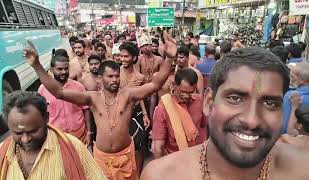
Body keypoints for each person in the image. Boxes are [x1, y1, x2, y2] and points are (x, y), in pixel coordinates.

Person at [141, 47, 309, 180]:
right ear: (209, 102)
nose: (252, 120)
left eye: (270, 103)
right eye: (235, 98)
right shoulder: (162, 175)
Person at [23, 32, 177, 180]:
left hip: (124, 156)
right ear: (101, 78)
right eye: (110, 76)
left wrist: (169, 58)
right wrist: (36, 65)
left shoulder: (128, 95)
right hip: (102, 158)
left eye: (117, 76)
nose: (115, 80)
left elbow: (156, 84)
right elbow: (59, 92)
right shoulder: (93, 97)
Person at [0, 91, 106, 179]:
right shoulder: (2, 152)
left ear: (46, 118)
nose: (26, 139)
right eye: (18, 133)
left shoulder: (73, 147)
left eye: (33, 131)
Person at [152, 68, 208, 159]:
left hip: (198, 158)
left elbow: (204, 125)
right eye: (183, 92)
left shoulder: (199, 101)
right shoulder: (164, 108)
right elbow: (158, 147)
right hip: (175, 161)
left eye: (190, 92)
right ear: (174, 85)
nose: (186, 96)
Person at [38, 55, 91, 146]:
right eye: (59, 69)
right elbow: (40, 114)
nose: (64, 72)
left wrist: (89, 131)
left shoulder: (78, 87)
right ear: (52, 69)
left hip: (78, 136)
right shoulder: (43, 89)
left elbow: (86, 109)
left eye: (66, 69)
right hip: (56, 137)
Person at [119, 42, 150, 177]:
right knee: (122, 146)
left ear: (134, 58)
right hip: (120, 113)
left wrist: (145, 114)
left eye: (126, 56)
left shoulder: (140, 77)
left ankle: (137, 174)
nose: (123, 59)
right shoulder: (115, 73)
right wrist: (130, 87)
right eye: (121, 56)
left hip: (136, 114)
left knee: (138, 146)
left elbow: (141, 96)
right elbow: (113, 94)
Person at [282, 62, 309, 134]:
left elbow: (284, 127)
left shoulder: (291, 96)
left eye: (292, 76)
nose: (290, 78)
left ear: (302, 80)